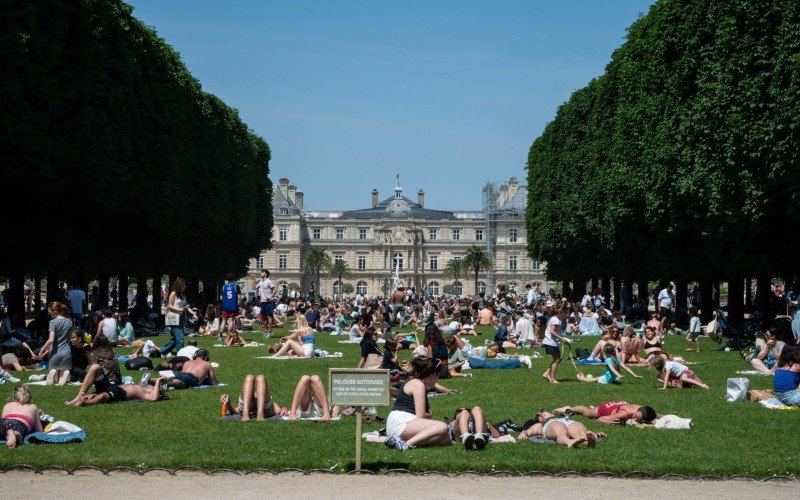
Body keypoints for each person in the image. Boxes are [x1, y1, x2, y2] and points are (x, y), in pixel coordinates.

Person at [384, 358, 451, 451]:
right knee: (442, 426)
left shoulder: (416, 382)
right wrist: (430, 415)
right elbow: (421, 415)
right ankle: (405, 444)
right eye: (438, 375)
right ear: (433, 374)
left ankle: (402, 442)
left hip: (403, 422)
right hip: (401, 422)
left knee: (447, 438)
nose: (438, 378)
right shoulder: (418, 384)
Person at [516, 410, 604, 448]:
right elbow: (527, 431)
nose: (541, 413)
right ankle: (569, 442)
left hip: (568, 422)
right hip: (551, 425)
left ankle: (588, 441)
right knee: (560, 429)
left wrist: (591, 433)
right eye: (539, 414)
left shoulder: (559, 417)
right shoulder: (540, 425)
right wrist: (523, 433)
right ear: (539, 419)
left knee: (578, 427)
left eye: (542, 411)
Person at [220, 374, 288, 421]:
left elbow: (279, 410)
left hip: (262, 408)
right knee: (249, 377)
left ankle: (254, 414)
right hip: (254, 408)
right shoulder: (250, 399)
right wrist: (228, 402)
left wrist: (283, 408)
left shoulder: (266, 400)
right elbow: (234, 411)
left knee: (260, 378)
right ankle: (250, 414)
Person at [38, 301, 73, 385]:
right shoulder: (69, 322)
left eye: (49, 311)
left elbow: (51, 340)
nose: (48, 313)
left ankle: (53, 375)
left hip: (55, 352)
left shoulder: (53, 322)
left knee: (54, 380)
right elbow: (70, 338)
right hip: (66, 352)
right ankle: (65, 376)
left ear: (54, 311)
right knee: (63, 378)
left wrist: (42, 350)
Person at [161, 278, 197, 356]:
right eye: (183, 285)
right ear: (179, 285)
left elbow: (187, 307)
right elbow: (169, 306)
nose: (185, 286)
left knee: (176, 338)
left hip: (180, 318)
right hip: (173, 318)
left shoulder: (183, 295)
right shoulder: (173, 293)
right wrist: (178, 309)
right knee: (180, 337)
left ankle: (162, 350)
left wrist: (193, 314)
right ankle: (181, 354)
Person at [70, 377, 167, 406]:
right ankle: (78, 398)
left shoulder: (148, 395)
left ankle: (84, 402)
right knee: (96, 367)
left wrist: (158, 380)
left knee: (103, 396)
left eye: (158, 389)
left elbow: (154, 398)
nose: (156, 387)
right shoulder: (147, 389)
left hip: (119, 394)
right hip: (112, 387)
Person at [578, 344, 642, 383]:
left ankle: (583, 379)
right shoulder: (616, 358)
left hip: (607, 379)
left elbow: (612, 369)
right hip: (614, 378)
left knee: (595, 379)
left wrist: (619, 375)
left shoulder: (607, 360)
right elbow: (625, 367)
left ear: (605, 353)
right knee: (600, 377)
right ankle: (584, 378)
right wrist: (634, 375)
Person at [554, 401, 658, 425]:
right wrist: (609, 422)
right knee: (586, 412)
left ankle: (593, 408)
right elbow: (599, 419)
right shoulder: (624, 414)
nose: (635, 419)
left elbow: (655, 414)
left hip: (617, 404)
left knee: (592, 409)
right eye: (635, 417)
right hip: (606, 409)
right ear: (637, 411)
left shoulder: (640, 408)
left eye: (638, 419)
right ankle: (570, 409)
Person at [542, 308, 570, 384]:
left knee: (557, 359)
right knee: (557, 360)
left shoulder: (554, 319)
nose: (565, 315)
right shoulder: (556, 320)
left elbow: (556, 332)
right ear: (560, 313)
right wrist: (562, 339)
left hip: (551, 342)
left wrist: (563, 340)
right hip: (551, 342)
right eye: (564, 313)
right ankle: (552, 379)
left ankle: (547, 373)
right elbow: (552, 331)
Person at [254, 269, 276, 336]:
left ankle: (269, 331)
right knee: (263, 317)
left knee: (269, 316)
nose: (260, 273)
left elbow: (275, 290)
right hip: (263, 302)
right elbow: (254, 288)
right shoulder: (260, 282)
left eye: (262, 272)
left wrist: (270, 297)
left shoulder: (268, 281)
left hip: (269, 302)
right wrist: (254, 280)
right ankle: (266, 330)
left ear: (266, 274)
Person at [220, 274, 241, 340]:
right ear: (233, 279)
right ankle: (228, 336)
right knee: (231, 320)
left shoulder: (223, 287)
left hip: (225, 306)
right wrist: (239, 305)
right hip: (233, 306)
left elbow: (221, 298)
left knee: (223, 321)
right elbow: (239, 297)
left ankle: (220, 336)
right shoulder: (236, 286)